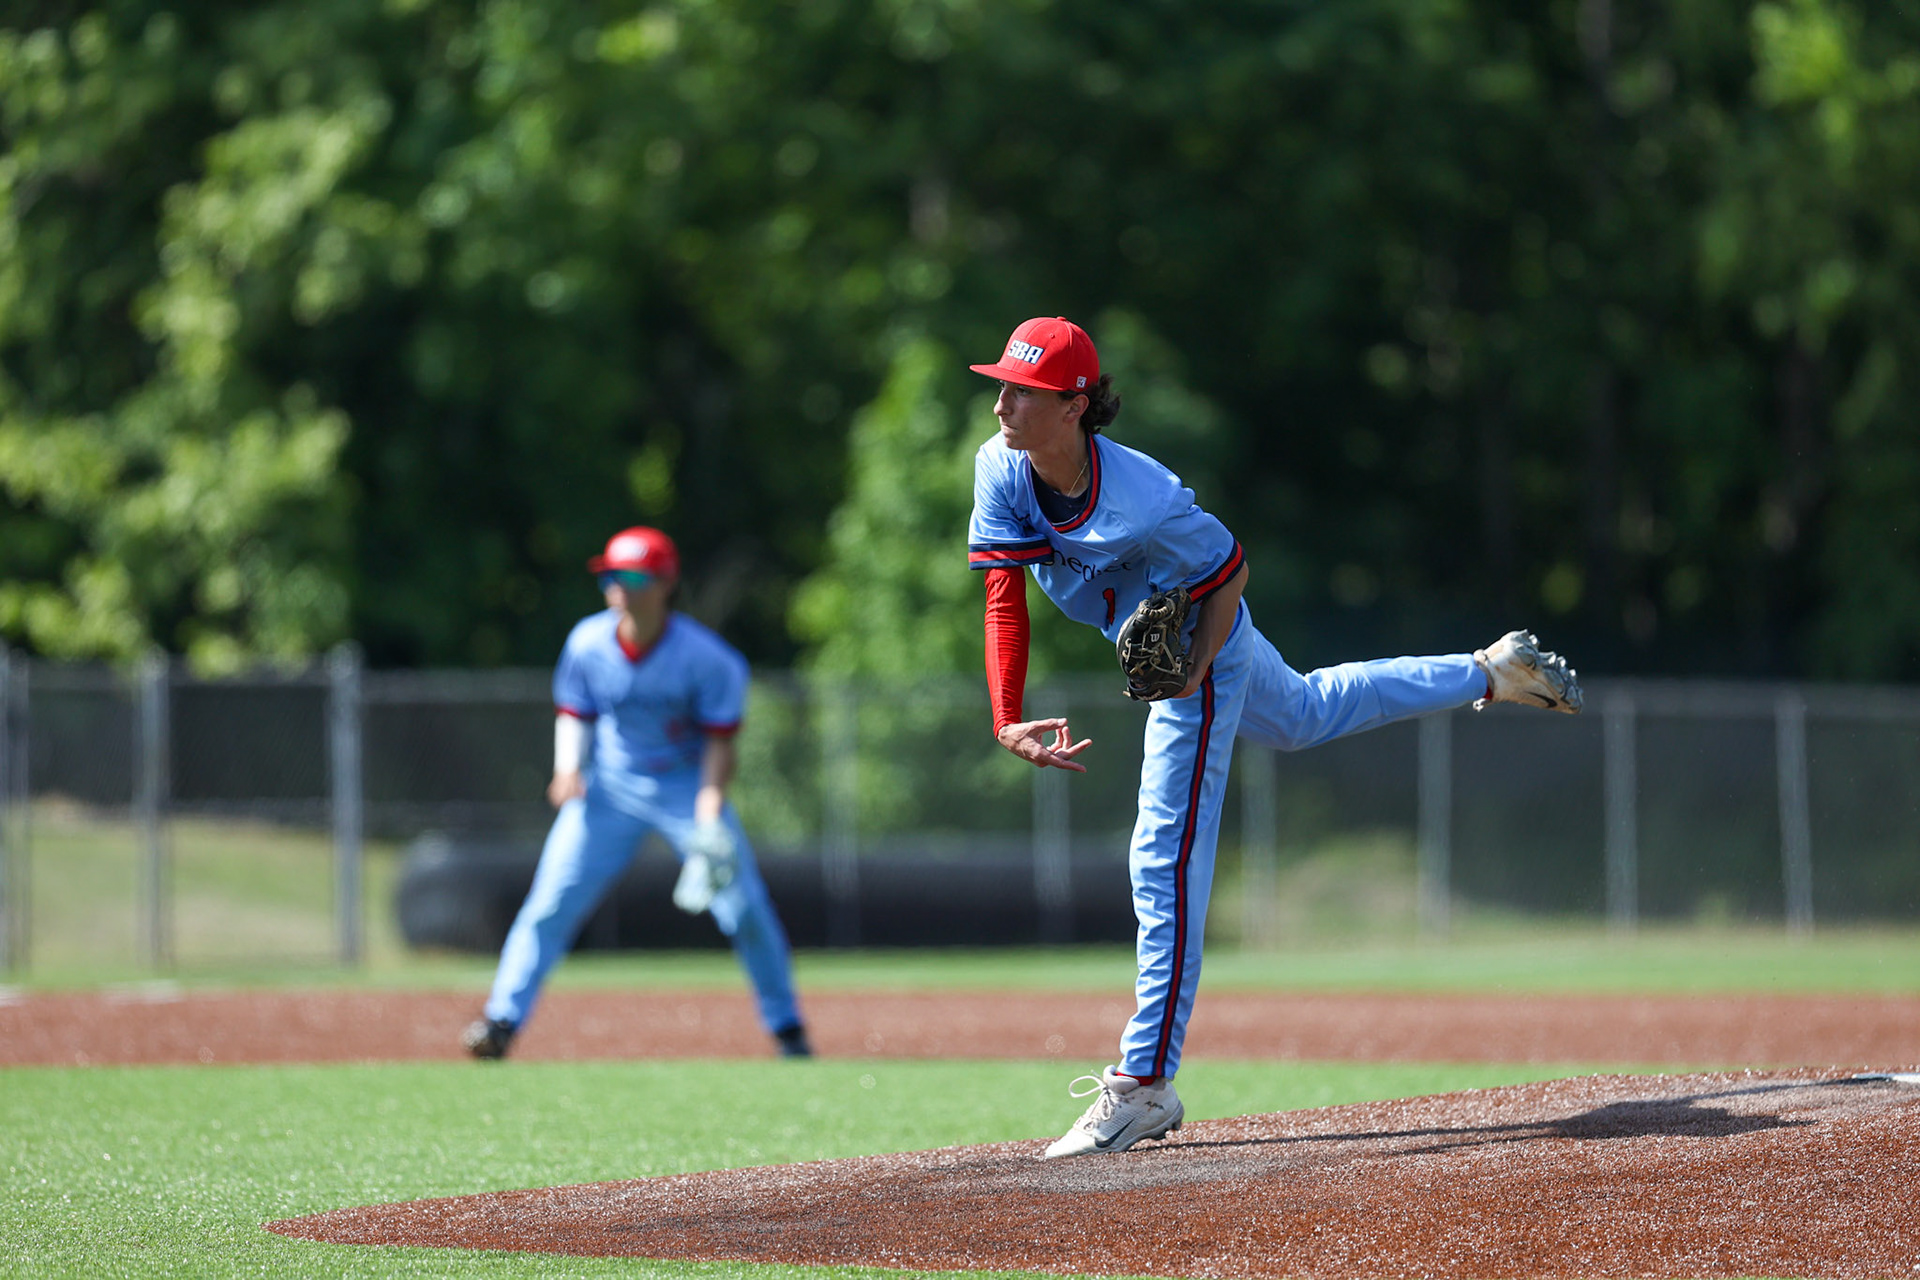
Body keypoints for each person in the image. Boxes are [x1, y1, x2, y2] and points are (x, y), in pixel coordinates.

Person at [964, 316, 1581, 1158]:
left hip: (1203, 644)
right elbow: (1003, 596)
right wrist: (1006, 713)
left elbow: (1230, 573)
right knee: (1303, 714)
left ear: (1073, 405)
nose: (1001, 403)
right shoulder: (1001, 467)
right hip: (1174, 648)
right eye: (1002, 385)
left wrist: (1194, 671)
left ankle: (1144, 1084)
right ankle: (1488, 672)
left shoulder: (1144, 495)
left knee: (1163, 856)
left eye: (1022, 390)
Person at [462, 526, 812, 1061]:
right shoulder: (587, 643)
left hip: (685, 789)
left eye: (634, 576)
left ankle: (787, 1030)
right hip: (609, 788)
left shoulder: (708, 659)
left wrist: (709, 812)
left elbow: (720, 745)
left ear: (666, 583)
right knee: (550, 903)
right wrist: (566, 768)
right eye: (611, 575)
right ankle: (501, 1022)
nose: (619, 585)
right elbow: (575, 711)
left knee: (744, 908)